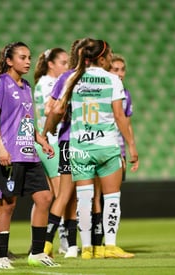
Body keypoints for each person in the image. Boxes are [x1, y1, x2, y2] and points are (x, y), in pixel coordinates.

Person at [56, 39, 139, 259]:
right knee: (111, 198)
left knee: (84, 199)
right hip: (106, 145)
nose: (111, 59)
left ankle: (86, 249)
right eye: (109, 55)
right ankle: (110, 246)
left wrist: (46, 131)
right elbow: (120, 117)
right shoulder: (112, 80)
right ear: (101, 58)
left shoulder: (72, 78)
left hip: (80, 146)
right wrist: (131, 145)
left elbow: (58, 109)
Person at [0, 41, 60, 268]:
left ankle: (37, 254)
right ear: (9, 61)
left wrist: (41, 140)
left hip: (29, 153)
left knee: (45, 198)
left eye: (29, 57)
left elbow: (26, 120)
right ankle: (1, 257)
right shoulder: (0, 83)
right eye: (22, 57)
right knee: (7, 204)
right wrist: (0, 147)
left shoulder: (27, 86)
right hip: (9, 153)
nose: (28, 61)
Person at [42, 38, 94, 258]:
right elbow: (50, 109)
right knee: (74, 195)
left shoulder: (67, 77)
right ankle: (52, 244)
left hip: (71, 140)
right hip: (84, 141)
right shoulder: (90, 78)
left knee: (69, 196)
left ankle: (68, 246)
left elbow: (50, 109)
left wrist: (49, 128)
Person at [91, 53, 136, 257]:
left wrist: (129, 148)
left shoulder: (125, 94)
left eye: (122, 69)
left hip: (117, 150)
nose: (119, 73)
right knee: (94, 196)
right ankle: (94, 242)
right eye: (115, 69)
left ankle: (106, 242)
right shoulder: (102, 90)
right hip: (99, 147)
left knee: (110, 196)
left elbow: (126, 122)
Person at [32, 47, 70, 256]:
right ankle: (62, 242)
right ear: (51, 64)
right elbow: (52, 110)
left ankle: (36, 241)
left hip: (43, 142)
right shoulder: (49, 83)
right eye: (63, 62)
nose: (67, 66)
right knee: (61, 194)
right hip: (51, 142)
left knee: (44, 196)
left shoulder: (41, 83)